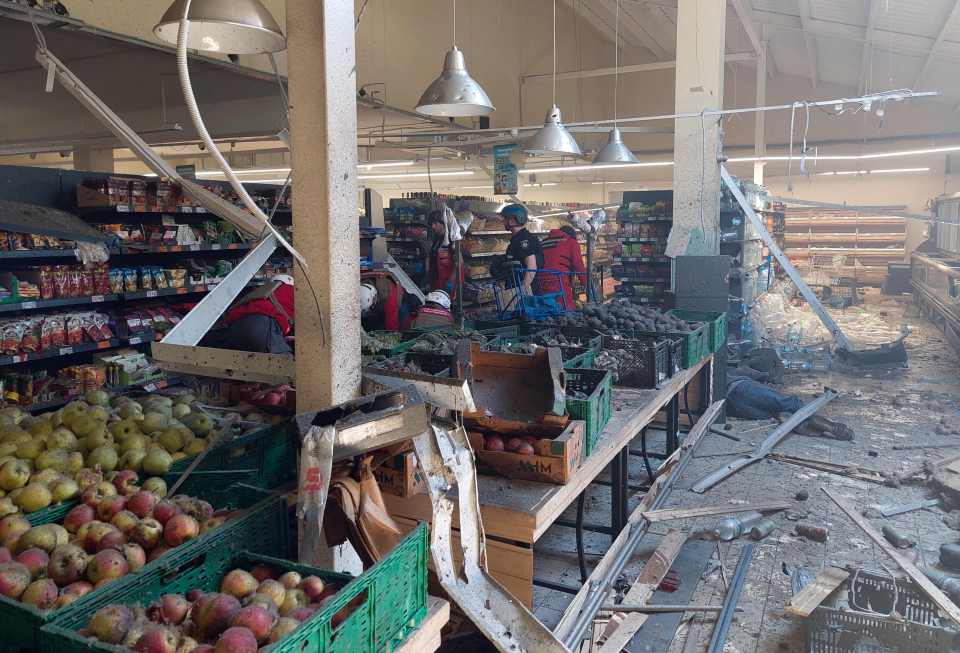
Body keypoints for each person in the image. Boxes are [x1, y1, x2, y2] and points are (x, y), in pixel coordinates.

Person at [220, 274, 295, 354]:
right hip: (263, 325)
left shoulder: (260, 292)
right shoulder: (294, 292)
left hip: (234, 329)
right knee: (287, 364)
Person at [538, 224, 587, 309]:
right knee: (566, 311)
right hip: (560, 283)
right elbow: (579, 266)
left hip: (541, 283)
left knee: (547, 312)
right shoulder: (571, 242)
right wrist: (587, 284)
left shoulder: (543, 243)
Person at [501, 203, 543, 295]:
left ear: (512, 220)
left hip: (527, 293)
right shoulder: (518, 239)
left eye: (505, 218)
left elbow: (532, 267)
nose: (503, 221)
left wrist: (522, 292)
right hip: (517, 287)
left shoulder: (524, 240)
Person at [426, 209, 461, 297]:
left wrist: (451, 281)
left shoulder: (451, 239)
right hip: (436, 281)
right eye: (431, 224)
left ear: (442, 223)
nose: (433, 227)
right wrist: (427, 273)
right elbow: (430, 256)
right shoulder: (436, 238)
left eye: (435, 224)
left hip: (448, 282)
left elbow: (459, 261)